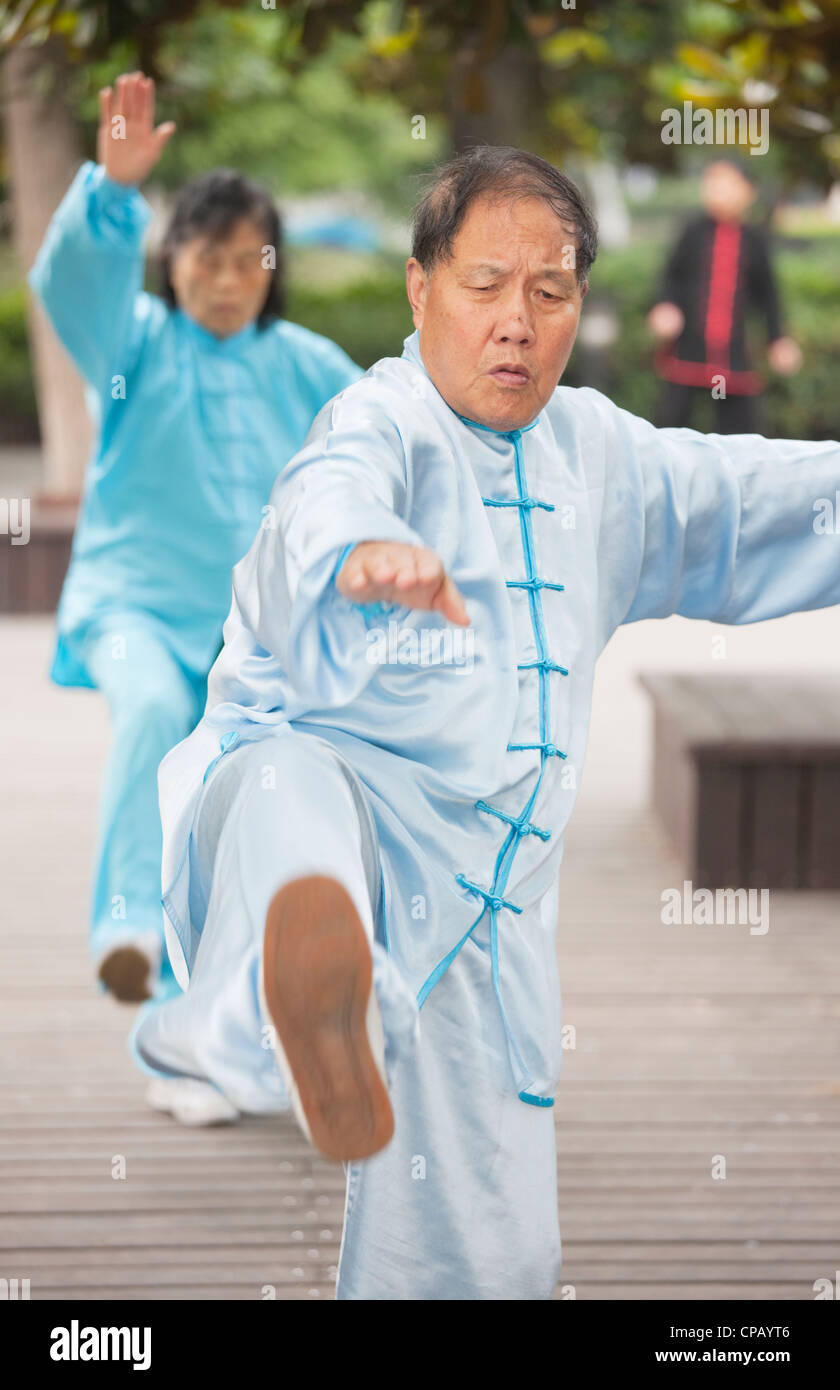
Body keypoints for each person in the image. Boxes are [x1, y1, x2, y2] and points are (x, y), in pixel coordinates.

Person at [131, 145, 840, 1298]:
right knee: (292, 794)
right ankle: (299, 987)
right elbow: (327, 493)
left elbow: (754, 498)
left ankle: (340, 1014)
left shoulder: (602, 453)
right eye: (485, 285)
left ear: (576, 307)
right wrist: (364, 549)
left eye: (549, 292)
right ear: (421, 290)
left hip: (483, 917)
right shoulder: (382, 418)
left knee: (483, 1264)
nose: (518, 321)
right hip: (307, 810)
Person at [28, 72, 363, 1037]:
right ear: (171, 262)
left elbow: (394, 436)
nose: (225, 282)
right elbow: (74, 284)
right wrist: (111, 190)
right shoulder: (131, 344)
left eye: (245, 264)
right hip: (132, 611)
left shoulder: (302, 362)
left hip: (256, 637)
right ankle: (128, 931)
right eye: (205, 260)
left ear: (272, 270)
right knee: (152, 713)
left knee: (258, 786)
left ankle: (230, 996)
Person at [648, 157, 801, 433]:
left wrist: (777, 339)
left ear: (748, 191)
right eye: (711, 183)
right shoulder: (692, 232)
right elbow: (671, 276)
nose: (716, 191)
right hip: (688, 346)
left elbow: (769, 295)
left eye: (727, 184)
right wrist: (665, 306)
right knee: (670, 421)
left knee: (740, 428)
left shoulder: (755, 239)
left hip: (734, 353)